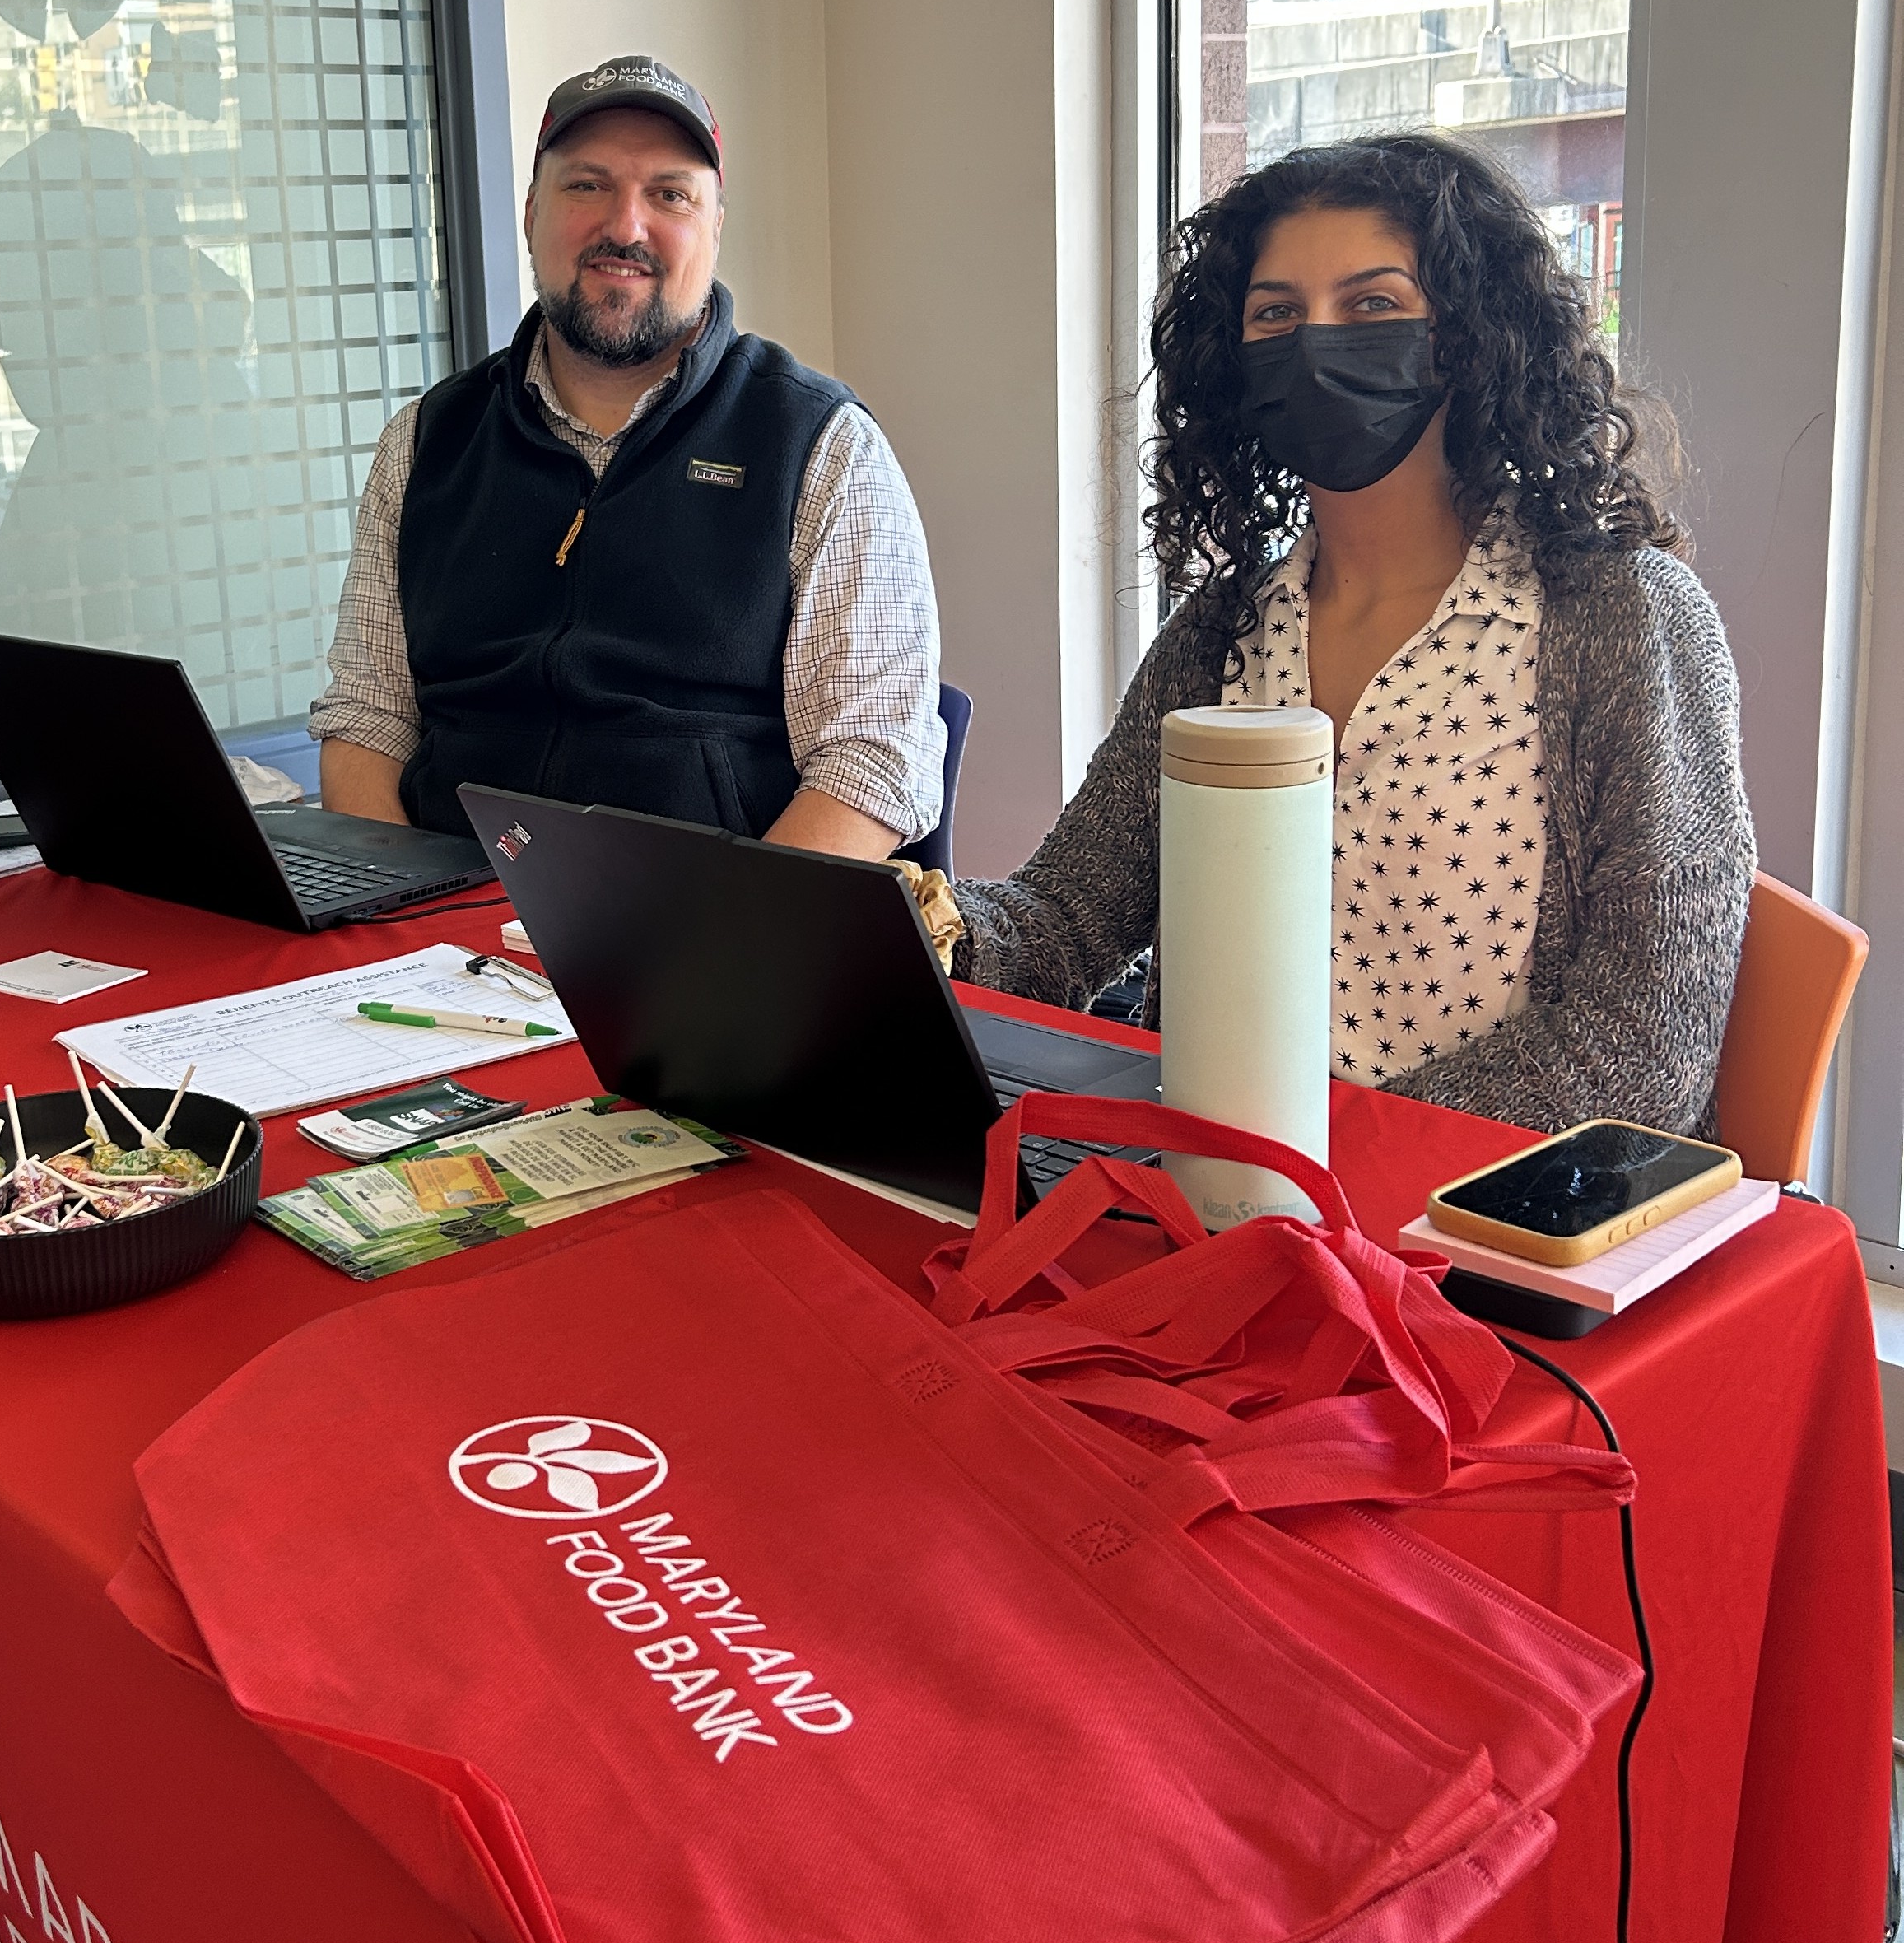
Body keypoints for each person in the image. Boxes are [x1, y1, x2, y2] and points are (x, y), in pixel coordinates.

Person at [948, 131, 1755, 1135]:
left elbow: (1644, 1049)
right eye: (1276, 314)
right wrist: (923, 921)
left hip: (1472, 1210)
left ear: (1467, 336)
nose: (1316, 344)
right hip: (1220, 1188)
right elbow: (1066, 918)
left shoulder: (1624, 618)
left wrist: (1338, 1151)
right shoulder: (1218, 637)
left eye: (1372, 305)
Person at [310, 55, 946, 858]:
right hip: (451, 910)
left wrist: (722, 930)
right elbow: (368, 721)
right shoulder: (426, 442)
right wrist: (391, 907)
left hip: (711, 912)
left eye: (670, 195)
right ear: (532, 212)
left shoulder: (821, 447)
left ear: (715, 228)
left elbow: (873, 763)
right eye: (587, 185)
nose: (626, 228)